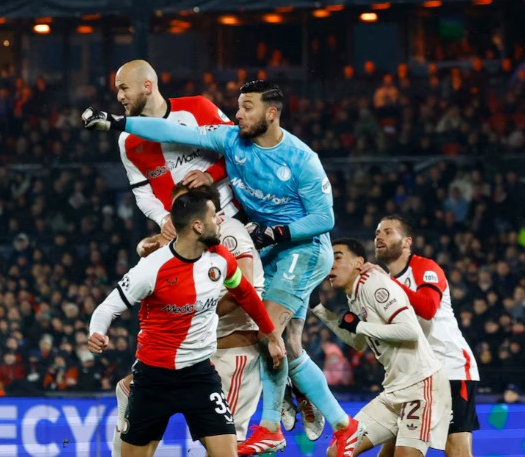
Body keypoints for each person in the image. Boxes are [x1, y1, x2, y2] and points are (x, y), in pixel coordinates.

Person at [83, 79, 363, 456]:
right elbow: (170, 129)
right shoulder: (232, 140)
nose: (238, 114)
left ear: (271, 112)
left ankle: (270, 427)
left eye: (247, 107)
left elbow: (324, 218)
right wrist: (118, 123)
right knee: (290, 346)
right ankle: (344, 424)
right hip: (269, 245)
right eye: (238, 106)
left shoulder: (301, 158)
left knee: (269, 330)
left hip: (303, 249)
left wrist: (276, 231)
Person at [88, 190, 285, 457]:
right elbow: (108, 307)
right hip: (154, 377)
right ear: (197, 226)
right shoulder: (152, 268)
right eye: (214, 216)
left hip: (200, 376)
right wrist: (97, 331)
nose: (220, 220)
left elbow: (246, 295)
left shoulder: (220, 258)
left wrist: (272, 335)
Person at [312, 238, 451, 457]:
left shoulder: (373, 283)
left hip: (420, 385)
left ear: (359, 262)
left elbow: (410, 332)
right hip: (393, 390)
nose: (332, 265)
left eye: (338, 258)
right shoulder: (355, 295)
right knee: (337, 451)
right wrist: (319, 310)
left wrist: (360, 325)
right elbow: (358, 342)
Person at [362, 215, 480, 457]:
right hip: (414, 377)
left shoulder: (424, 267)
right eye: (376, 233)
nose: (379, 237)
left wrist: (385, 282)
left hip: (450, 367)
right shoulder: (388, 284)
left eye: (387, 231)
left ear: (407, 242)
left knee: (456, 450)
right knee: (392, 451)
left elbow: (427, 308)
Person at [114, 59, 240, 240]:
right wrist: (163, 219)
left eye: (124, 88)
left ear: (147, 87)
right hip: (186, 235)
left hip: (229, 215)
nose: (119, 96)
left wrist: (211, 175)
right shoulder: (127, 141)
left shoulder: (198, 107)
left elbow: (238, 150)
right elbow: (142, 193)